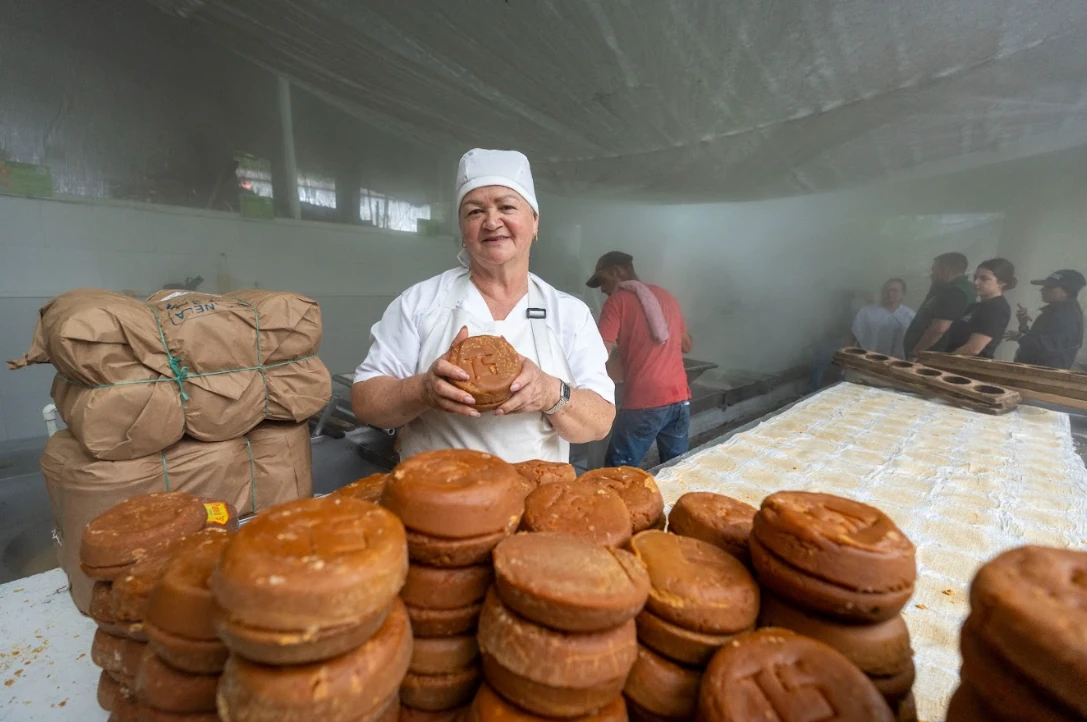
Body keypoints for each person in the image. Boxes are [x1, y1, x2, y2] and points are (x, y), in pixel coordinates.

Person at [351, 149, 615, 463]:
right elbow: (365, 402)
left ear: (534, 222)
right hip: (437, 497)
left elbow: (600, 422)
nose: (491, 222)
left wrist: (549, 392)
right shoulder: (419, 303)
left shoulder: (569, 314)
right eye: (475, 212)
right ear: (463, 231)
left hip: (534, 500)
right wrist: (422, 390)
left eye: (506, 206)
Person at [587, 252, 693, 467]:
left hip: (644, 402)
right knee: (677, 467)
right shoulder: (666, 296)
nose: (602, 289)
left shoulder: (616, 302)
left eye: (602, 281)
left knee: (618, 472)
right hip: (680, 400)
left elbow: (597, 355)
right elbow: (686, 345)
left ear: (617, 272)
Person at [1005, 269, 1085, 369]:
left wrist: (1020, 337)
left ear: (1067, 292)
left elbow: (1048, 347)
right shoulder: (1057, 311)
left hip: (1041, 375)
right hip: (1034, 371)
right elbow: (1043, 339)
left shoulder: (1067, 317)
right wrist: (1023, 326)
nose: (1042, 290)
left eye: (1049, 287)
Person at [904, 252, 976, 359]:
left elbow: (939, 328)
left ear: (946, 270)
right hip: (927, 353)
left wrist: (917, 352)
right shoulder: (944, 288)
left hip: (930, 355)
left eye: (934, 269)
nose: (931, 274)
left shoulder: (956, 292)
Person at [945, 258, 1016, 358]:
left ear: (1001, 283)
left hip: (968, 367)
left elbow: (974, 348)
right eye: (975, 277)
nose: (976, 282)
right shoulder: (975, 307)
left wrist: (944, 360)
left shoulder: (996, 308)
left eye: (984, 278)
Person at [851, 278, 916, 358]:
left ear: (903, 294)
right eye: (886, 290)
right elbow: (853, 335)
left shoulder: (910, 316)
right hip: (868, 359)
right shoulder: (866, 312)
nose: (889, 294)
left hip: (898, 363)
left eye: (894, 291)